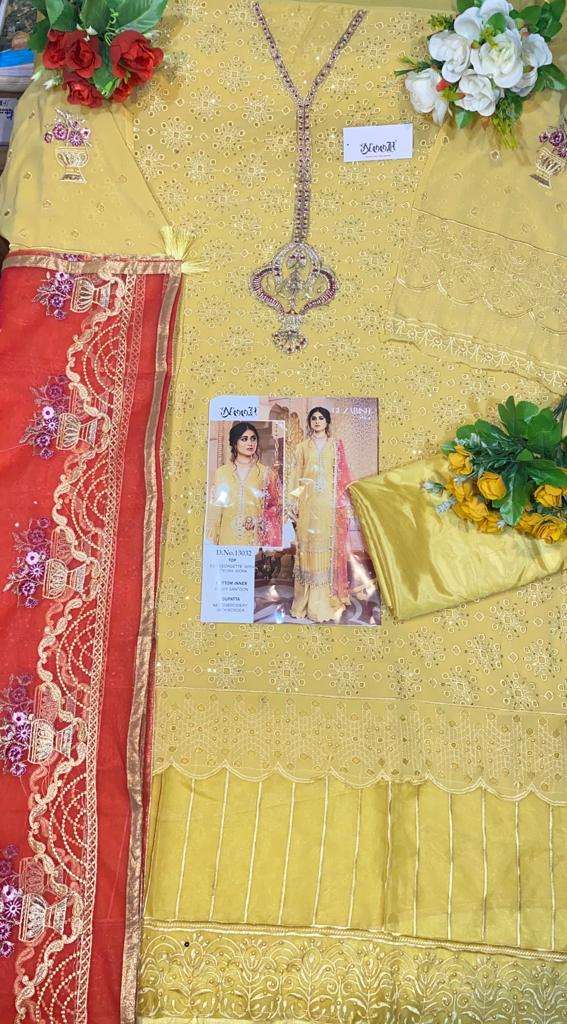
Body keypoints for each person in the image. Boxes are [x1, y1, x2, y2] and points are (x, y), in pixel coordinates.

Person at [287, 406, 352, 622]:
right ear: (309, 422)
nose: (317, 421)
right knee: (308, 546)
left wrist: (342, 501)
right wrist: (294, 502)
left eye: (321, 418)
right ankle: (304, 600)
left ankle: (323, 599)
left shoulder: (336, 445)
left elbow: (342, 474)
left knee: (326, 546)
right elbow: (295, 475)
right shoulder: (301, 447)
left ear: (327, 422)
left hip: (328, 506)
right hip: (307, 505)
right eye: (313, 418)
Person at [206, 421, 282, 546]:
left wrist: (258, 522)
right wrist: (211, 544)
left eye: (253, 439)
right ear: (234, 443)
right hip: (227, 540)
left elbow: (274, 508)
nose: (250, 443)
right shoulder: (222, 473)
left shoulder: (266, 473)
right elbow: (215, 510)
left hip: (254, 540)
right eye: (244, 439)